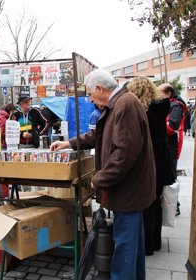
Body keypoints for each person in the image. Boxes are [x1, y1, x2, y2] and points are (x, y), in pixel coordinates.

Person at [51, 69, 155, 280]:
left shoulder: (125, 104)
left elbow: (125, 153)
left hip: (129, 192)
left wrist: (99, 180)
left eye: (90, 94)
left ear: (100, 88)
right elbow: (99, 134)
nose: (90, 99)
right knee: (132, 249)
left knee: (125, 250)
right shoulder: (118, 104)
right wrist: (68, 143)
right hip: (131, 191)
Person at [128, 76, 175, 255]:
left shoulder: (143, 112)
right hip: (162, 162)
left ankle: (146, 245)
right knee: (155, 202)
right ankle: (155, 241)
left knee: (147, 204)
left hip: (149, 162)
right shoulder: (160, 108)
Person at [158, 83, 187, 215]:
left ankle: (174, 206)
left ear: (168, 93)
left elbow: (172, 126)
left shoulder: (175, 106)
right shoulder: (171, 104)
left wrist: (156, 124)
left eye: (160, 93)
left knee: (171, 177)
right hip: (168, 146)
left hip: (171, 147)